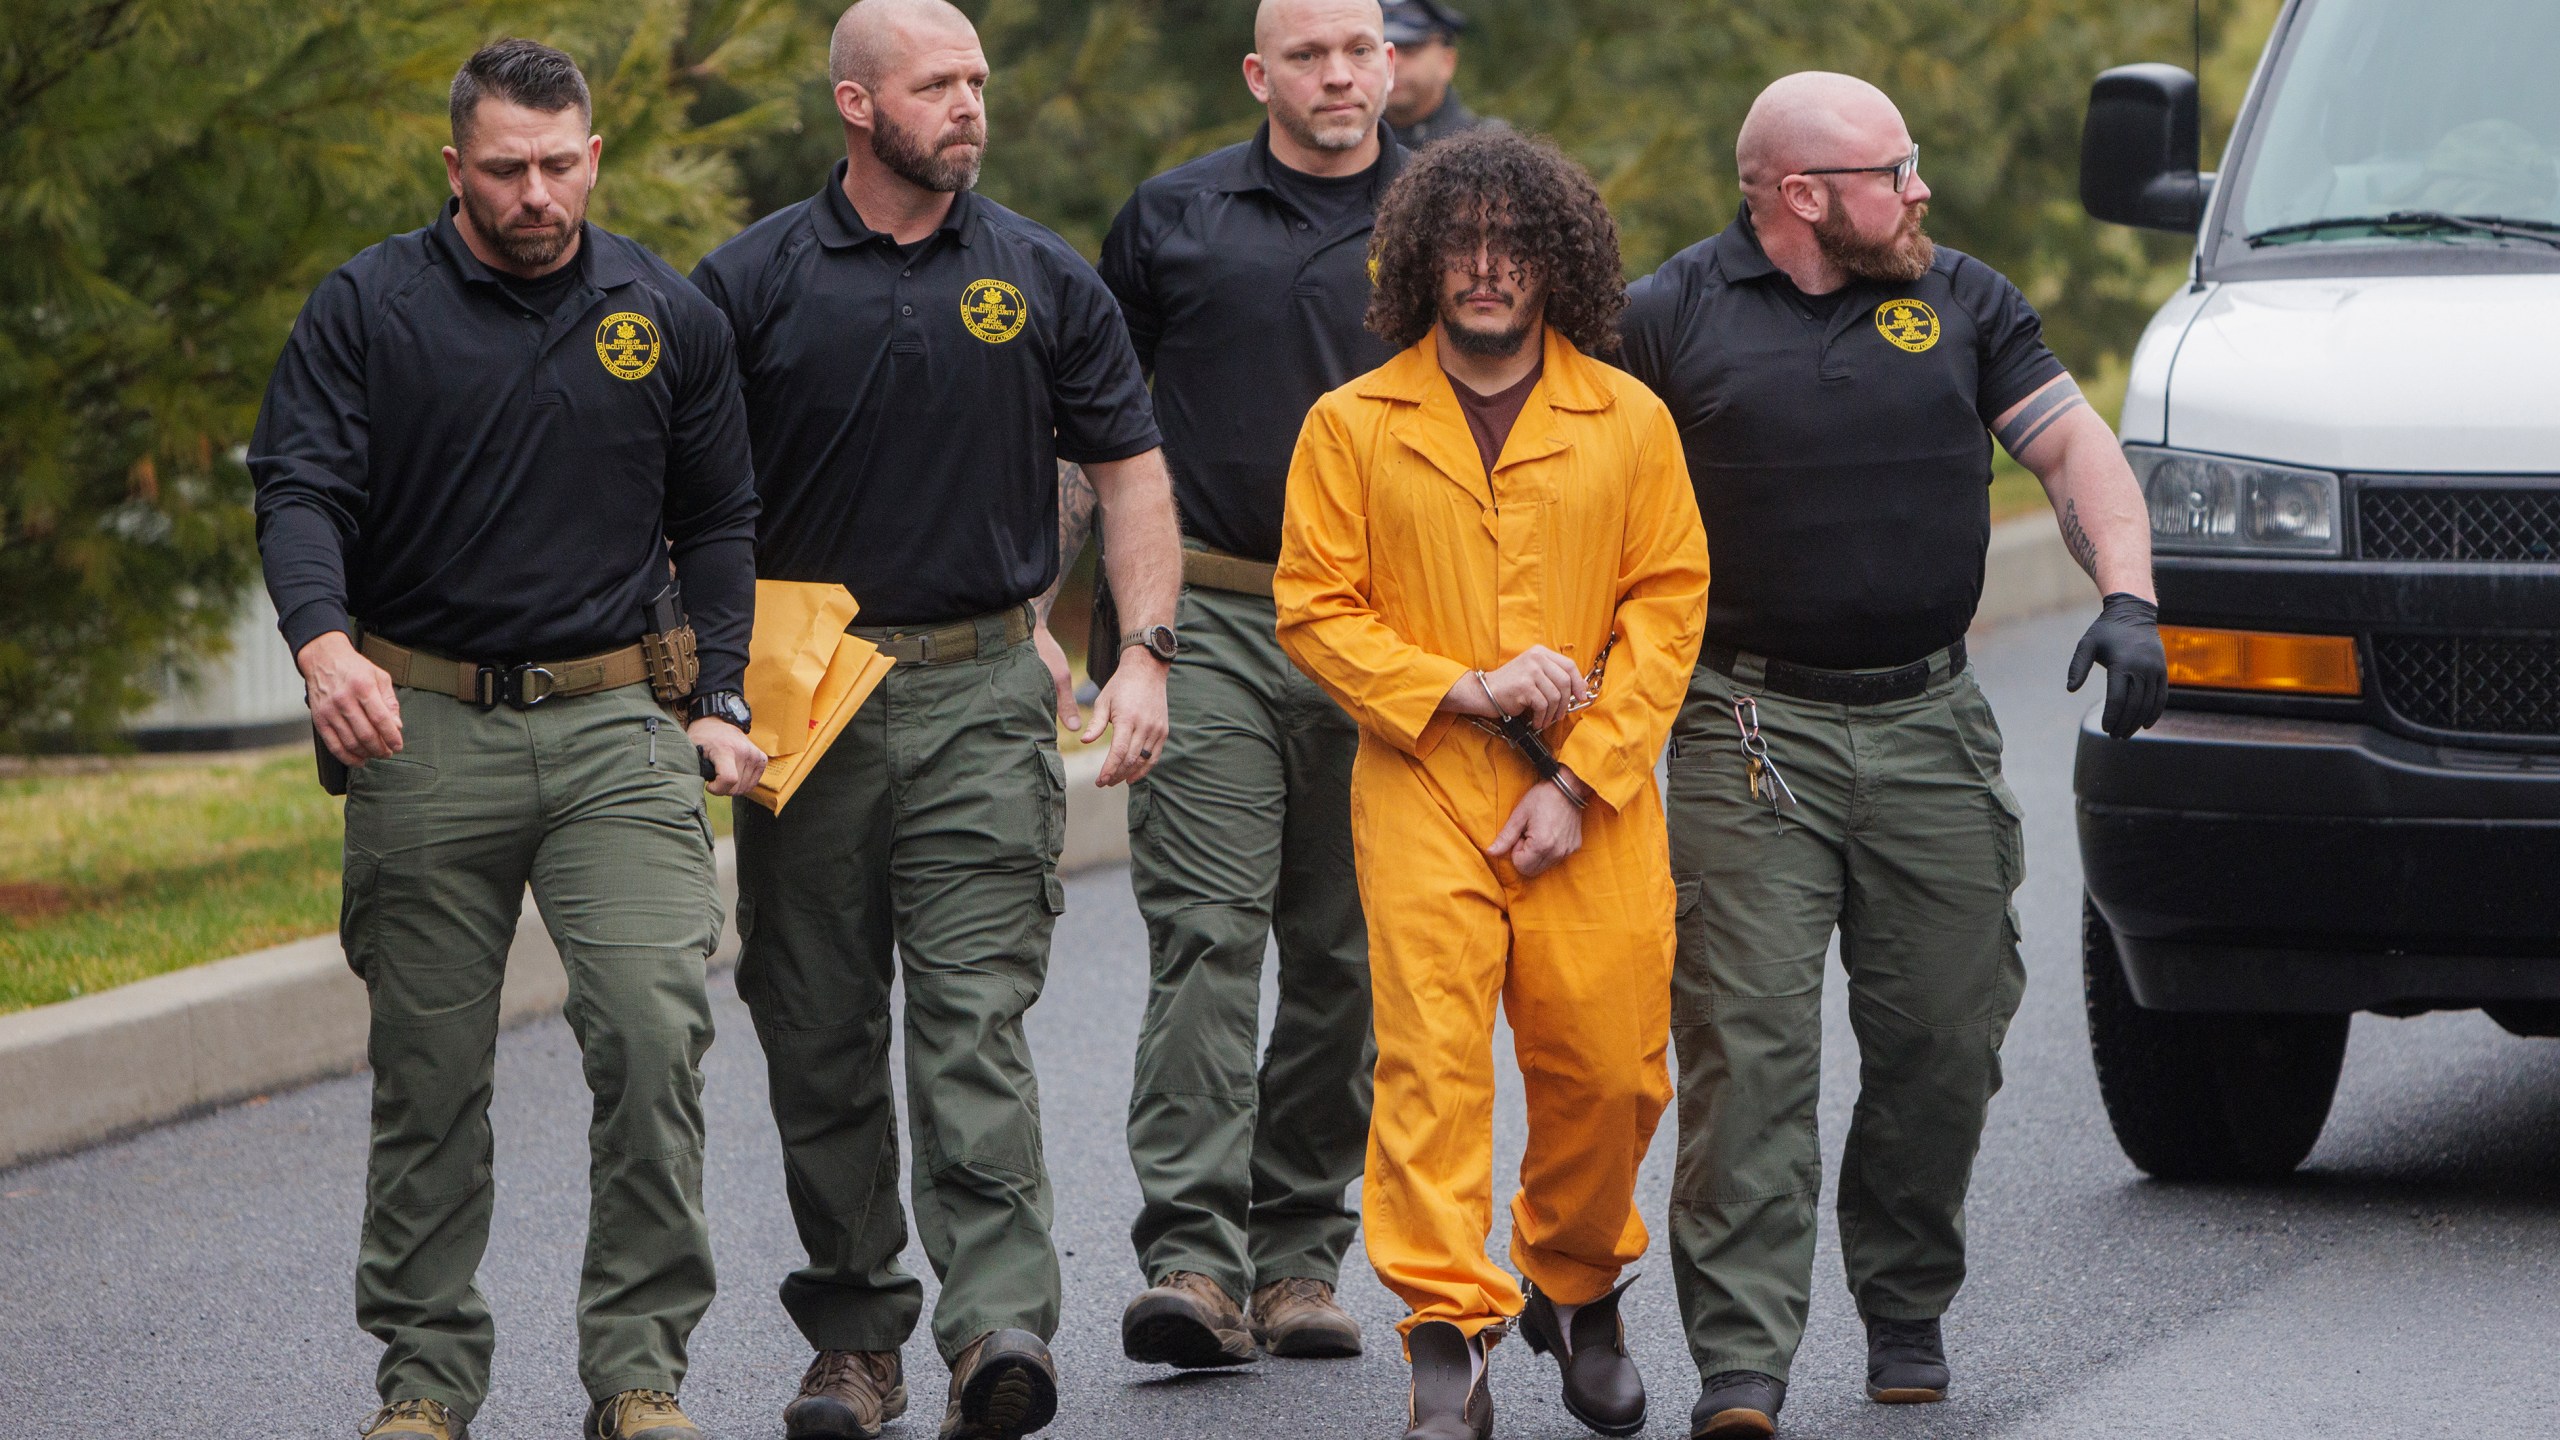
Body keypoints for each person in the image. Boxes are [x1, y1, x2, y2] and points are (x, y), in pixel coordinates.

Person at [1615, 72, 2167, 1440]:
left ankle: (1904, 1292)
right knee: (1748, 1054)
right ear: (1802, 195)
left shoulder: (1965, 300)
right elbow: (1580, 500)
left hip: (1929, 722)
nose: (1920, 190)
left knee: (1946, 1034)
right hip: (1741, 726)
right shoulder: (1667, 316)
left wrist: (2131, 597)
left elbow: (2073, 448)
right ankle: (1742, 1360)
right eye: (1894, 170)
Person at [248, 38, 767, 1440]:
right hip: (421, 724)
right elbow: (298, 489)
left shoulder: (665, 309)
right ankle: (425, 1381)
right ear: (454, 168)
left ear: (592, 156)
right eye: (503, 171)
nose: (534, 195)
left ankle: (639, 1372)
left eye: (557, 166)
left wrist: (718, 697)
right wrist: (322, 644)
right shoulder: (367, 306)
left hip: (612, 722)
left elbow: (720, 522)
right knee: (428, 1073)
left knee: (656, 1036)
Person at [688, 3, 1181, 1438]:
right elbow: (681, 498)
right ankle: (855, 1340)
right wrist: (702, 688)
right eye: (937, 84)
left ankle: (997, 1330)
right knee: (821, 1027)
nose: (970, 104)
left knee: (973, 1020)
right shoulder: (750, 283)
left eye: (978, 79)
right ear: (855, 104)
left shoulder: (1037, 272)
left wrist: (1136, 654)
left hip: (980, 687)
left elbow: (1130, 471)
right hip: (808, 695)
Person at [1275, 128, 1711, 1440]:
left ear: (1555, 262)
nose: (1484, 269)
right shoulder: (1351, 426)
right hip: (1423, 778)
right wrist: (1465, 688)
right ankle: (1446, 1334)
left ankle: (1576, 1286)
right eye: (1458, 245)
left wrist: (1580, 779)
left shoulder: (1627, 420)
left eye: (1511, 246)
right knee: (1428, 1058)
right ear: (1419, 261)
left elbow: (1668, 605)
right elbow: (1312, 609)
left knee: (1612, 1061)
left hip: (1592, 794)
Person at [1087, 0, 1403, 1373]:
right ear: (1258, 73)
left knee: (1347, 960)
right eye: (1310, 54)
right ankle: (1194, 1261)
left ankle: (1297, 1258)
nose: (1338, 76)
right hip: (1209, 611)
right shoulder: (1172, 216)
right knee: (1209, 938)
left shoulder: (1459, 211)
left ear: (1391, 63)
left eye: (1360, 51)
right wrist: (1073, 631)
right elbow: (1094, 429)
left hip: (1394, 635)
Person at [1381, 1, 1497, 149]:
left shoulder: (1486, 146)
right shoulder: (1352, 146)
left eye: (1409, 49)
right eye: (1382, 50)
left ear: (1447, 62)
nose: (1393, 62)